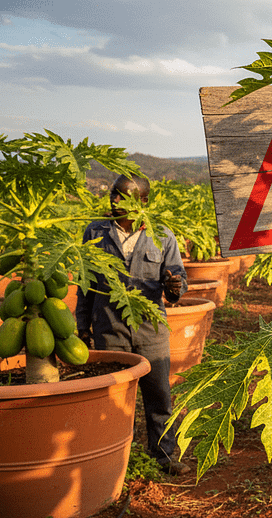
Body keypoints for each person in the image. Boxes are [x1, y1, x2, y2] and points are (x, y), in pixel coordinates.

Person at [75, 175, 191, 476]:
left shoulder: (162, 235)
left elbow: (176, 284)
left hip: (150, 332)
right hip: (109, 330)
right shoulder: (95, 232)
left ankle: (164, 456)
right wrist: (82, 326)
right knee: (110, 403)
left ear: (143, 203)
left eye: (123, 197)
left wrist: (175, 285)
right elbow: (85, 284)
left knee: (160, 398)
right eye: (114, 194)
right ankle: (112, 462)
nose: (115, 201)